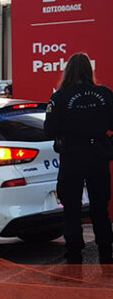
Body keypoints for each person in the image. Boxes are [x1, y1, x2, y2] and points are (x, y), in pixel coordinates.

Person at [43, 54, 113, 265]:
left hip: (72, 156)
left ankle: (74, 254)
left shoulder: (60, 97)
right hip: (98, 156)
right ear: (89, 71)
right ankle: (106, 252)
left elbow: (49, 130)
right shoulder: (105, 94)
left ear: (68, 71)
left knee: (72, 207)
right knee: (100, 207)